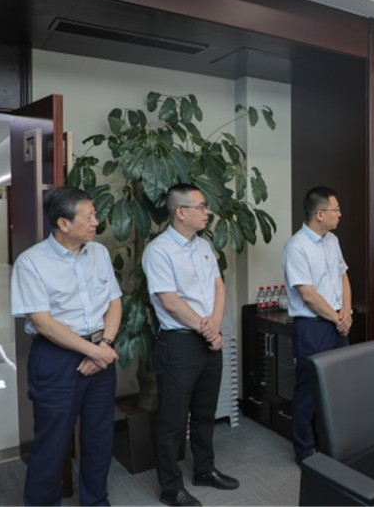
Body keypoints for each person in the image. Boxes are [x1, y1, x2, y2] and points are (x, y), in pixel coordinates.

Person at [11, 186, 121, 506]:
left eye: (94, 214)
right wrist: (95, 353)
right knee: (51, 445)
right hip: (56, 359)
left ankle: (96, 501)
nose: (96, 222)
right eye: (88, 216)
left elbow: (114, 302)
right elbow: (43, 322)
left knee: (99, 438)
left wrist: (104, 345)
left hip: (100, 350)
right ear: (63, 223)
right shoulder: (31, 262)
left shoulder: (98, 253)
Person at [143, 184, 239, 507]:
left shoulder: (204, 245)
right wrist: (207, 329)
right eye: (201, 206)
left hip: (209, 337)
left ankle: (205, 469)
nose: (207, 212)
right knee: (172, 420)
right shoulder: (158, 251)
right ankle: (171, 488)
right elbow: (169, 301)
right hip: (179, 343)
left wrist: (215, 325)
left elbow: (218, 286)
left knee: (204, 412)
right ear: (180, 212)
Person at [282, 186, 352, 464]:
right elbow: (308, 294)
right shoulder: (296, 246)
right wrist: (336, 318)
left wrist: (346, 312)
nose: (340, 214)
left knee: (336, 388)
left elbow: (343, 276)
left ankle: (329, 445)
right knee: (309, 392)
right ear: (320, 214)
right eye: (336, 209)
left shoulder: (332, 240)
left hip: (337, 322)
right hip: (313, 326)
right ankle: (304, 451)